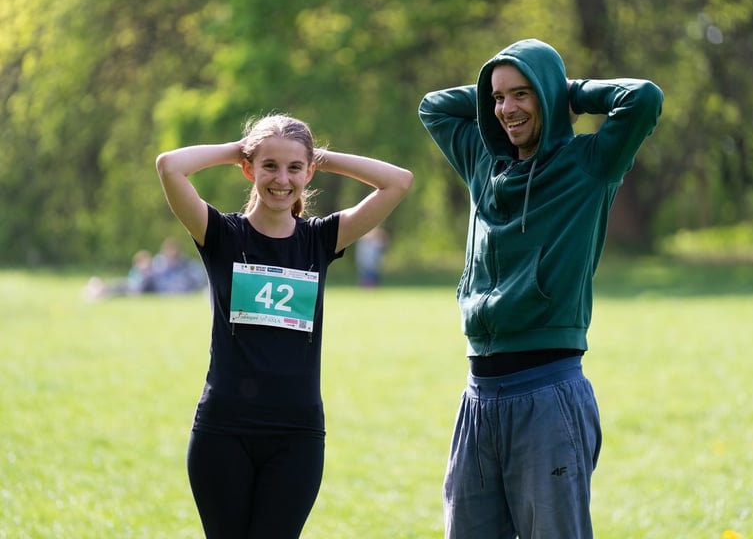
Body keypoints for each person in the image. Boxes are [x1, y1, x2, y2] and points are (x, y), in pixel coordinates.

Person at [418, 38, 663, 538]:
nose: (507, 109)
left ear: (549, 98)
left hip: (547, 393)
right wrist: (505, 92)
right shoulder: (481, 163)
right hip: (478, 398)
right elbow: (434, 106)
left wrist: (563, 91)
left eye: (523, 95)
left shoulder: (589, 165)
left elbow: (643, 97)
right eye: (498, 97)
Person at [155, 113, 413, 539]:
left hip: (297, 436)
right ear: (249, 169)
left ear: (309, 172)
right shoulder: (220, 234)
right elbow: (169, 166)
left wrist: (321, 157)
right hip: (224, 431)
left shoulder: (321, 239)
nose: (282, 179)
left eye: (295, 167)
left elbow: (398, 181)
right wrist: (239, 150)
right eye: (269, 165)